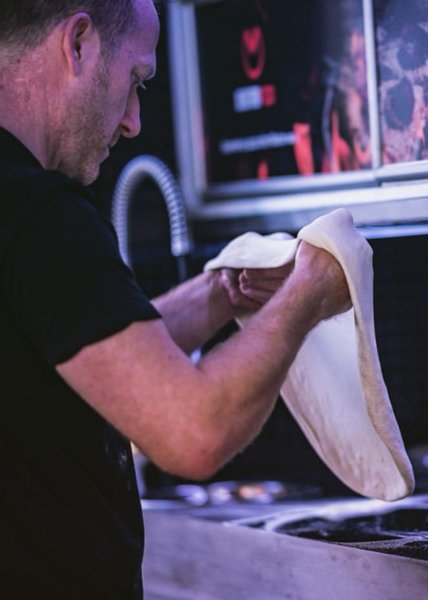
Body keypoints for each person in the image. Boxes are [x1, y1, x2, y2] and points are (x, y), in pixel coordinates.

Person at [0, 0, 351, 597]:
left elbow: (82, 352)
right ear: (78, 42)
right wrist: (308, 292)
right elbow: (193, 431)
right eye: (136, 80)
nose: (135, 119)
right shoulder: (40, 217)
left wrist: (219, 293)